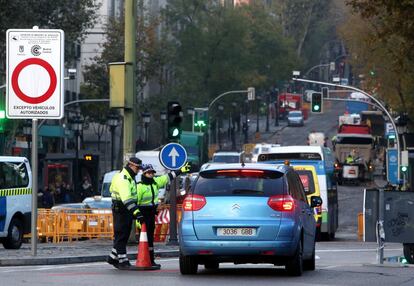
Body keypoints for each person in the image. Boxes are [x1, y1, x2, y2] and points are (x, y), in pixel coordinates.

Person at [136, 162, 191, 268]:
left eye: (152, 173)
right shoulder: (140, 187)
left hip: (151, 213)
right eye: (148, 173)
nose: (151, 174)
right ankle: (144, 259)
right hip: (142, 213)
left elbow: (168, 177)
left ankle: (151, 260)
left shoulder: (155, 182)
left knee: (150, 238)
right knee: (144, 238)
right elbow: (136, 201)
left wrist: (180, 171)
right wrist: (137, 215)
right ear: (144, 173)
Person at [107, 157, 144, 269]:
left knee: (123, 235)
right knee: (121, 235)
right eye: (137, 168)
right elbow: (127, 199)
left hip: (124, 209)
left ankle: (112, 257)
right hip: (121, 209)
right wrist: (137, 213)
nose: (138, 171)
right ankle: (123, 261)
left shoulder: (128, 177)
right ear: (131, 165)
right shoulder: (123, 179)